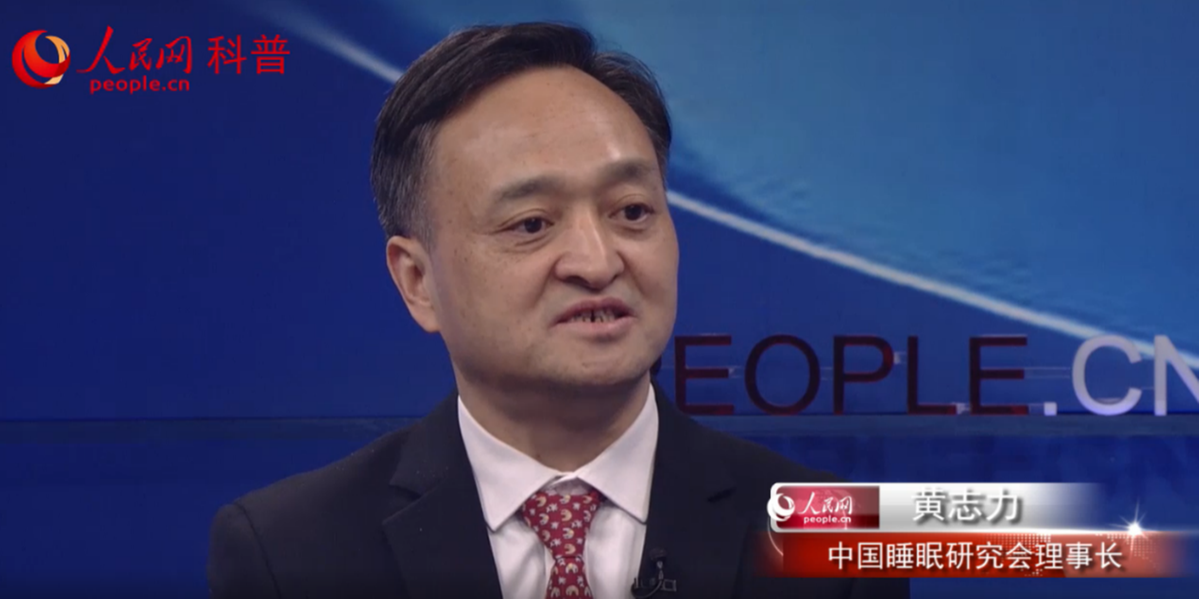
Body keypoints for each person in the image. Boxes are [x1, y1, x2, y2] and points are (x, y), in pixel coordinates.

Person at [206, 22, 908, 599]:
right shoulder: (288, 552)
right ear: (417, 281)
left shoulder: (838, 535)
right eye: (532, 224)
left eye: (631, 211)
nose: (597, 262)